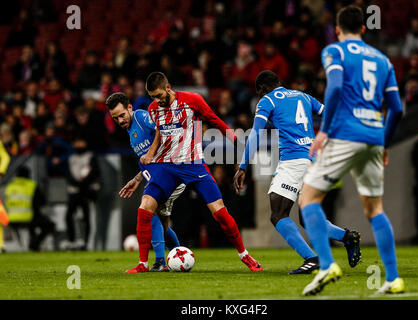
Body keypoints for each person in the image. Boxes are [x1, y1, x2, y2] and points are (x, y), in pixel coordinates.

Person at [299, 5, 404, 295]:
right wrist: (384, 141)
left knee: (308, 198)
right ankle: (393, 278)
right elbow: (396, 108)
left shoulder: (335, 51)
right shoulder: (383, 60)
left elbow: (333, 89)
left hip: (345, 132)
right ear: (363, 29)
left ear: (336, 28)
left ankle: (326, 265)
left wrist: (325, 131)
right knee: (374, 209)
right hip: (374, 134)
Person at [234, 70, 361, 275]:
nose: (259, 96)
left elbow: (256, 133)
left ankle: (311, 259)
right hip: (313, 159)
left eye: (259, 93)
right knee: (306, 218)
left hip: (294, 160)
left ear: (262, 88)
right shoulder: (303, 96)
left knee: (278, 213)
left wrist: (243, 165)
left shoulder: (267, 100)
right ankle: (347, 237)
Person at [141, 71, 262, 272]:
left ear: (168, 87)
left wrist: (236, 141)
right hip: (168, 166)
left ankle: (244, 255)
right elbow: (159, 135)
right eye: (153, 96)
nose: (156, 100)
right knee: (146, 207)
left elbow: (215, 121)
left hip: (194, 165)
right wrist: (150, 154)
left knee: (219, 211)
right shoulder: (153, 109)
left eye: (159, 95)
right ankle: (144, 264)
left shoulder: (192, 100)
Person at [106, 92, 184, 272]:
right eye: (115, 118)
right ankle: (178, 256)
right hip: (158, 175)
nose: (120, 120)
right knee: (159, 221)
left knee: (151, 211)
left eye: (122, 115)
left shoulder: (141, 117)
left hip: (171, 170)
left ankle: (159, 262)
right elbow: (146, 159)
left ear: (130, 108)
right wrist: (137, 178)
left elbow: (163, 128)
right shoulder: (130, 131)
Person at [5, 166, 55, 251]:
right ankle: (34, 244)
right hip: (28, 217)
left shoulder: (10, 186)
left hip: (11, 219)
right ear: (28, 175)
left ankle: (31, 242)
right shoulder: (31, 185)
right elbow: (41, 202)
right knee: (49, 225)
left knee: (35, 220)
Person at [64, 136, 100, 250]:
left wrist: (82, 184)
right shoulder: (71, 158)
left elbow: (95, 172)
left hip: (86, 191)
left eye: (81, 142)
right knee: (69, 216)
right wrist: (76, 183)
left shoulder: (90, 156)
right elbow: (68, 174)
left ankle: (86, 242)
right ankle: (72, 241)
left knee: (86, 217)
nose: (79, 145)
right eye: (77, 143)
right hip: (74, 191)